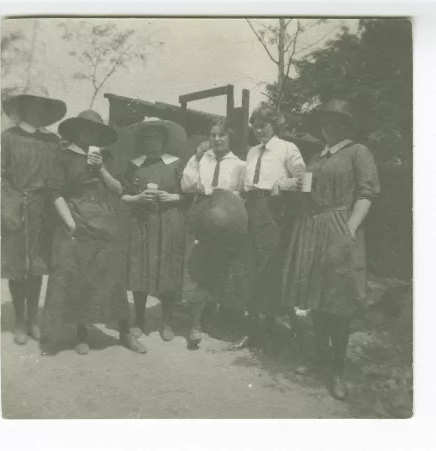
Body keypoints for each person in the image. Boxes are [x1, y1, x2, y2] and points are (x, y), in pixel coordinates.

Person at [281, 100, 380, 400]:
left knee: (338, 300)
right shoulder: (317, 156)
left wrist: (349, 227)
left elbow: (367, 193)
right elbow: (307, 190)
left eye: (336, 121)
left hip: (340, 226)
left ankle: (336, 370)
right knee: (317, 297)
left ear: (347, 125)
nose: (329, 126)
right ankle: (320, 360)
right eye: (325, 121)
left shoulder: (357, 152)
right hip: (312, 227)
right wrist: (285, 186)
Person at [41, 110, 146, 355]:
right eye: (86, 129)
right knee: (78, 276)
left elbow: (119, 190)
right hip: (76, 218)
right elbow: (55, 193)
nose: (90, 134)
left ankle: (125, 332)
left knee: (114, 277)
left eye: (96, 131)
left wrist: (100, 169)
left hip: (106, 221)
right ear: (77, 131)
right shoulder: (63, 156)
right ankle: (82, 333)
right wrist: (71, 224)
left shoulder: (105, 157)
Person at [230, 105, 306, 350]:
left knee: (269, 266)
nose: (259, 130)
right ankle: (251, 329)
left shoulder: (287, 148)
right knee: (247, 265)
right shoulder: (251, 151)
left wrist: (281, 185)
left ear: (275, 125)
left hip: (273, 210)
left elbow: (304, 180)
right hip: (249, 208)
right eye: (255, 126)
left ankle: (270, 327)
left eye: (264, 125)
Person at [1, 90, 66, 345]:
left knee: (37, 263)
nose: (38, 111)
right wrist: (8, 205)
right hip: (15, 204)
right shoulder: (8, 138)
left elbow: (59, 173)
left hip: (44, 207)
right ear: (24, 108)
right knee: (18, 263)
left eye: (43, 107)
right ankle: (18, 320)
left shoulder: (53, 141)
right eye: (33, 106)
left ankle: (32, 321)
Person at [181, 118, 247, 348]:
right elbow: (187, 185)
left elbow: (240, 194)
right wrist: (197, 158)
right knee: (198, 269)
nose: (217, 139)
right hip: (202, 215)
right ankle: (195, 325)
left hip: (225, 222)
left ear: (230, 138)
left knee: (218, 271)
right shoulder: (201, 159)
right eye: (213, 135)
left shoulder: (239, 164)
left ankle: (209, 319)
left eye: (222, 135)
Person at [121, 118, 188, 342]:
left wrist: (171, 197)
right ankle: (139, 320)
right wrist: (138, 198)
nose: (153, 141)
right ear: (142, 141)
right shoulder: (135, 165)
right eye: (148, 137)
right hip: (141, 222)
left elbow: (188, 195)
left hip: (168, 221)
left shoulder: (176, 164)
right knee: (139, 269)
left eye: (157, 136)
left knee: (167, 269)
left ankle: (166, 320)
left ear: (164, 139)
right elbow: (123, 194)